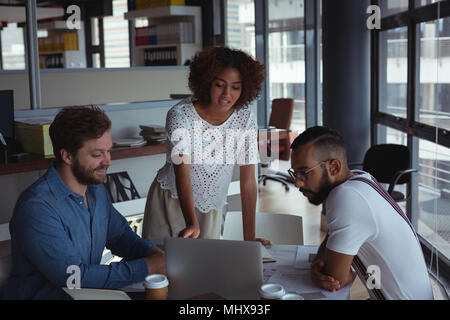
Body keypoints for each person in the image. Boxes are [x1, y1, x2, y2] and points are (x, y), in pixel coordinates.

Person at [3, 106, 165, 300]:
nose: (108, 162)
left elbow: (121, 236)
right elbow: (75, 277)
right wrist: (148, 266)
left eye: (108, 151)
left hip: (88, 295)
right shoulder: (36, 208)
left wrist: (153, 253)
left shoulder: (95, 190)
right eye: (97, 155)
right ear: (67, 156)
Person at [142, 46, 271, 246]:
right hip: (171, 201)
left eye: (236, 87)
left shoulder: (245, 119)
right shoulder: (180, 115)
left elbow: (248, 182)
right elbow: (181, 172)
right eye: (220, 85)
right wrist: (191, 222)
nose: (226, 94)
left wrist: (250, 238)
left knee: (205, 272)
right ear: (206, 82)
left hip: (211, 206)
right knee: (162, 270)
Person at [288, 126, 433, 300]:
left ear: (334, 167)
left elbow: (336, 280)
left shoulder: (346, 197)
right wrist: (322, 259)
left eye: (304, 173)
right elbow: (331, 241)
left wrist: (315, 270)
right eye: (295, 174)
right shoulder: (360, 178)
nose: (297, 183)